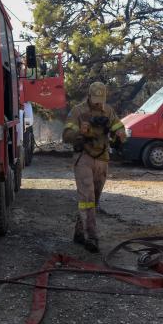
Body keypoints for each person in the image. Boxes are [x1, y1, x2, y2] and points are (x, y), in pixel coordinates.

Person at [62, 82, 126, 253]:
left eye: (101, 100)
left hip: (102, 158)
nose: (98, 103)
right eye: (95, 99)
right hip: (83, 158)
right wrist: (79, 133)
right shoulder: (78, 111)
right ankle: (92, 237)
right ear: (89, 95)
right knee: (87, 198)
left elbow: (119, 128)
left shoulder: (109, 111)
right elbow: (66, 135)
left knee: (94, 200)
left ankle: (79, 232)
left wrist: (120, 135)